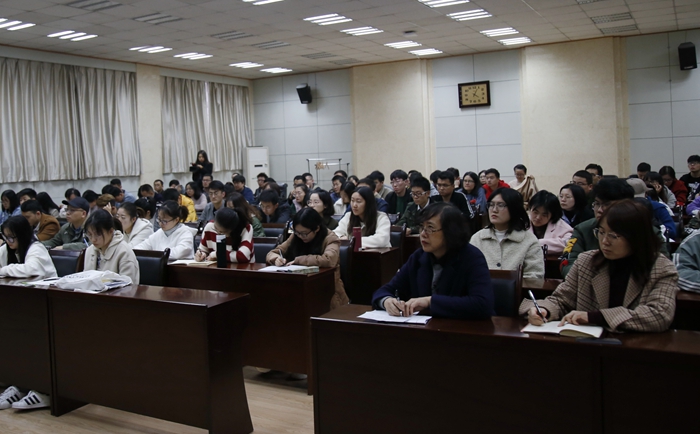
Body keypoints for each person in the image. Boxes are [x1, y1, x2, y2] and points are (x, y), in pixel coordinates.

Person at [520, 200, 678, 332]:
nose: (604, 241)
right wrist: (544, 310)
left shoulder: (661, 268)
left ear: (637, 237)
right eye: (601, 232)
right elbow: (561, 300)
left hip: (638, 347)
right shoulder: (587, 261)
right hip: (587, 345)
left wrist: (595, 317)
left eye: (614, 236)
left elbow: (658, 315)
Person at [372, 202, 493, 319]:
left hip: (461, 329)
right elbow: (386, 290)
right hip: (424, 328)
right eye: (422, 227)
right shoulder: (418, 257)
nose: (423, 234)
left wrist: (430, 302)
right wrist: (386, 300)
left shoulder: (472, 257)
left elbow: (482, 304)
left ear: (450, 231)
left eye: (430, 228)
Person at [561, 178, 669, 278]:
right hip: (589, 286)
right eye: (597, 204)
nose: (600, 210)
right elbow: (567, 264)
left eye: (607, 205)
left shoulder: (647, 231)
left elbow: (662, 266)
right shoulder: (583, 230)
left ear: (626, 206)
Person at [267, 207, 349, 308]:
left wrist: (298, 260)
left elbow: (329, 259)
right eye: (297, 232)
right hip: (298, 288)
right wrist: (276, 259)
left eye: (305, 233)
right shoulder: (296, 236)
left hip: (327, 291)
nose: (301, 236)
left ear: (317, 228)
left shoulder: (330, 238)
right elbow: (272, 253)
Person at [470, 188, 544, 279]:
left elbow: (535, 276)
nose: (494, 210)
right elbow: (467, 271)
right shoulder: (477, 238)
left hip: (517, 288)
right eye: (491, 205)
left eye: (500, 205)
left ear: (514, 208)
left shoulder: (529, 241)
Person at [82, 209, 140, 284]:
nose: (93, 239)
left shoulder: (124, 252)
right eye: (89, 234)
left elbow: (128, 286)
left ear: (111, 231)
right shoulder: (90, 250)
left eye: (98, 234)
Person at [528, 190, 573, 255]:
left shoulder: (563, 227)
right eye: (535, 212)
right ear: (530, 209)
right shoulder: (521, 223)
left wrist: (534, 243)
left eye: (544, 215)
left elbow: (568, 243)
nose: (538, 217)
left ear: (552, 215)